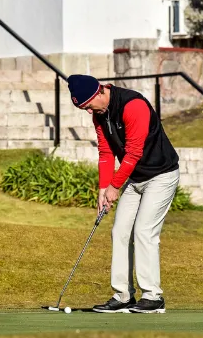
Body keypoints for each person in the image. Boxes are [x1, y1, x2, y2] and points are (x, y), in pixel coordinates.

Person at [67, 74, 180, 314]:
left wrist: (115, 186)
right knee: (119, 231)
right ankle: (123, 295)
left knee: (144, 231)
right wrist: (102, 189)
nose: (88, 112)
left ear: (99, 92)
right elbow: (106, 153)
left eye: (87, 106)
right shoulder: (100, 114)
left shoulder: (133, 105)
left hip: (161, 175)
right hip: (136, 178)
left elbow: (133, 153)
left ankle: (153, 296)